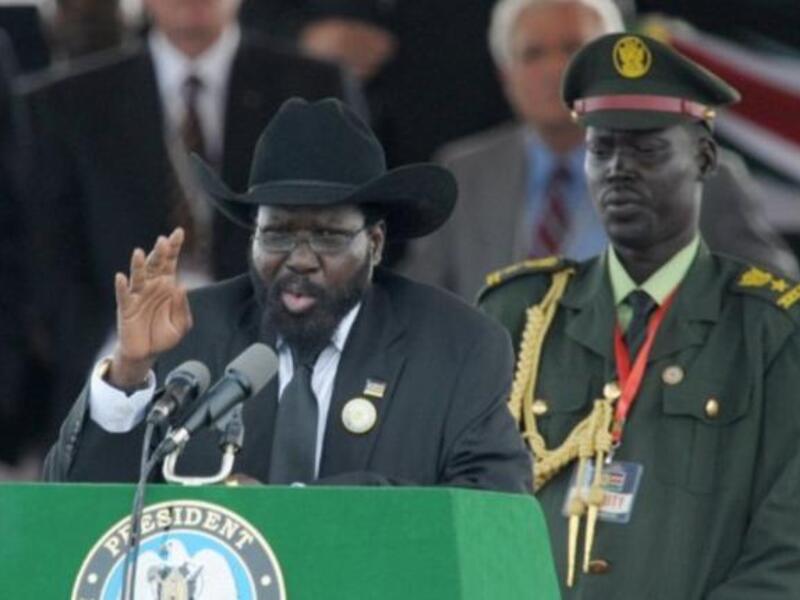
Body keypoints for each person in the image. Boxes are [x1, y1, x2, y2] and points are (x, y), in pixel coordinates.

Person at [43, 97, 532, 494]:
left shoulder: (456, 346)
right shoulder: (186, 334)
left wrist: (295, 511)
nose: (299, 259)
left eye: (327, 236)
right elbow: (73, 505)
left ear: (376, 243)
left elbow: (492, 506)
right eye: (277, 234)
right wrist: (129, 371)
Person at [478, 33, 800, 598]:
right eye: (601, 149)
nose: (618, 170)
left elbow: (786, 553)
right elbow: (470, 510)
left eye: (647, 150)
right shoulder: (521, 315)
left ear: (704, 158)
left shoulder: (770, 331)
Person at [19, 0, 356, 448]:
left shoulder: (315, 85)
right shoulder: (66, 100)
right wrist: (109, 350)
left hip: (274, 347)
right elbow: (44, 253)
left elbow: (347, 228)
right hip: (114, 353)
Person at [404, 0, 798, 301]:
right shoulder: (463, 172)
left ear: (617, 64)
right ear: (506, 76)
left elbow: (774, 294)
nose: (556, 69)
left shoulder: (698, 172)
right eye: (533, 54)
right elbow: (418, 302)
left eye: (573, 48)